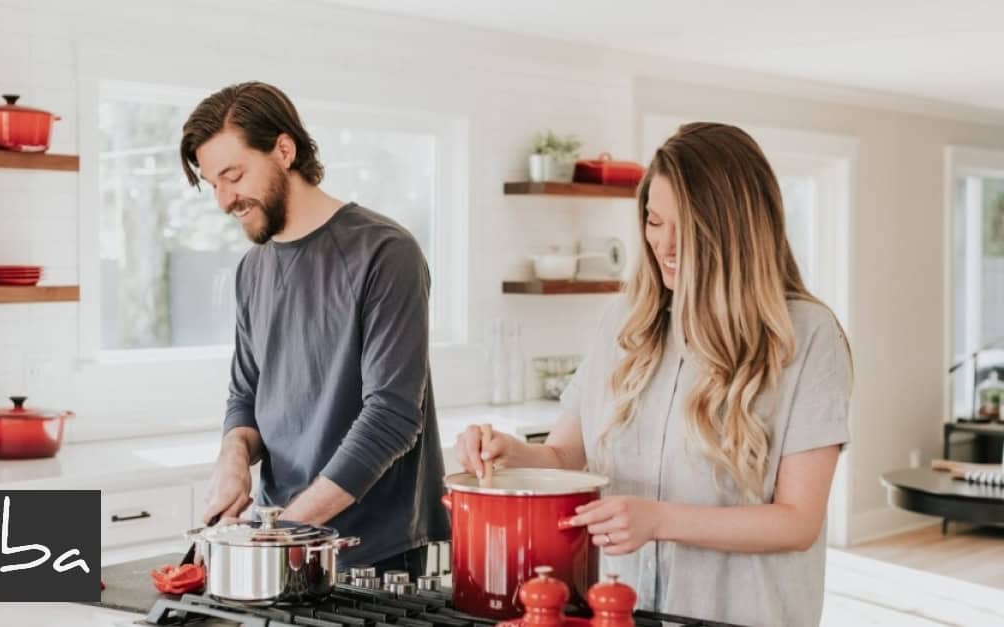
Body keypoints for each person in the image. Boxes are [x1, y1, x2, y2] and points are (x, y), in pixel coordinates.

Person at [455, 122, 852, 627]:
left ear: (737, 231)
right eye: (654, 222)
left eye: (685, 228)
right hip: (621, 610)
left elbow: (798, 521)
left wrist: (660, 521)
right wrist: (510, 454)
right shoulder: (625, 321)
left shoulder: (806, 336)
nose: (665, 246)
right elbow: (564, 457)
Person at [180, 81, 450, 575]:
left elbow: (392, 416)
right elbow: (246, 395)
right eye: (212, 183)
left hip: (372, 552)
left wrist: (282, 533)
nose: (223, 200)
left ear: (284, 149)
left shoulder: (385, 252)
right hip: (278, 534)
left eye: (233, 175)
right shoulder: (252, 269)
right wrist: (233, 458)